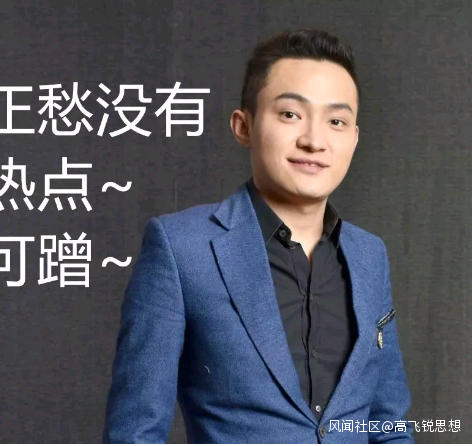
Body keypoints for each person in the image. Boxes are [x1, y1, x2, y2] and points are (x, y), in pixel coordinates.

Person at [102, 29, 414, 443]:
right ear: (243, 126)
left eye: (336, 121)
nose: (314, 141)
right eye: (290, 114)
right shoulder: (181, 249)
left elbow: (389, 426)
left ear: (354, 138)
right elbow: (135, 434)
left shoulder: (369, 255)